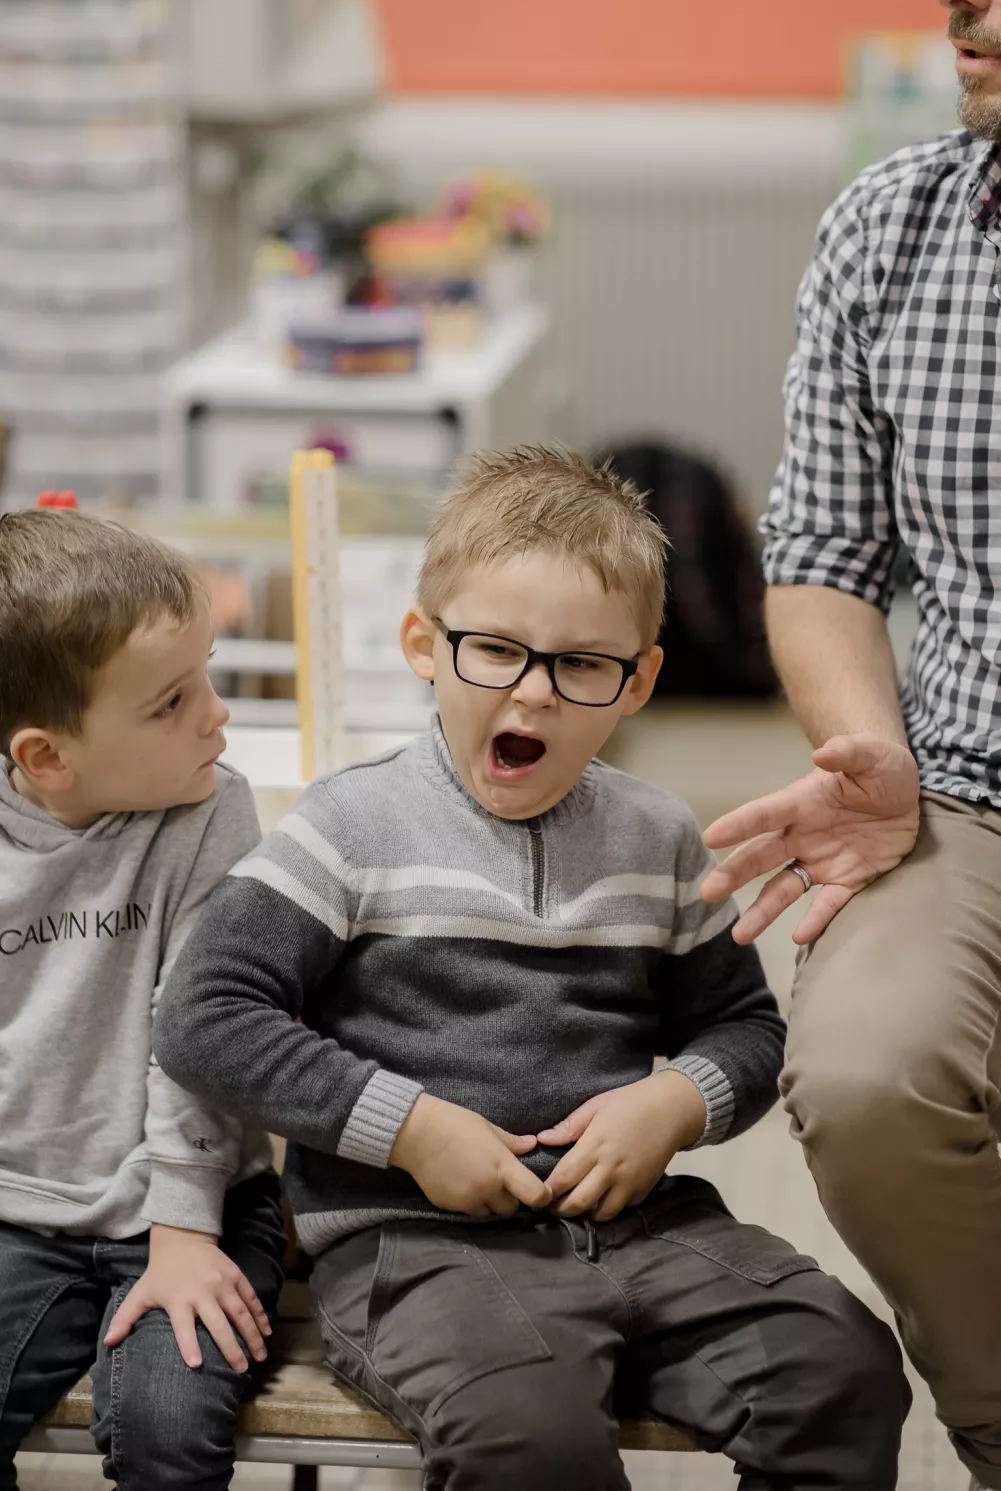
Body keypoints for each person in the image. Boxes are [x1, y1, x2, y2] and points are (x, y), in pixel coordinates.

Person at [154, 445, 908, 1491]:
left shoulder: (658, 836)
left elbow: (745, 1030)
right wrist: (412, 1129)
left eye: (581, 664)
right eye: (495, 650)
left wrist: (676, 1105)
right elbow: (204, 1014)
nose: (534, 693)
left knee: (842, 1368)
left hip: (643, 1227)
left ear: (638, 678)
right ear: (424, 643)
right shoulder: (351, 825)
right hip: (412, 1247)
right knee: (529, 1436)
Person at [694, 0, 1001, 1489]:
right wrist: (871, 748)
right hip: (984, 795)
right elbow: (824, 566)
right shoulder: (892, 225)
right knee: (854, 1078)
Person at [0, 509, 284, 1491]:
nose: (217, 715)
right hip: (19, 1205)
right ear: (46, 758)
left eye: (206, 676)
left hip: (198, 1199)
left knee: (169, 1428)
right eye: (170, 703)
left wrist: (180, 1230)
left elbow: (200, 1033)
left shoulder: (211, 807)